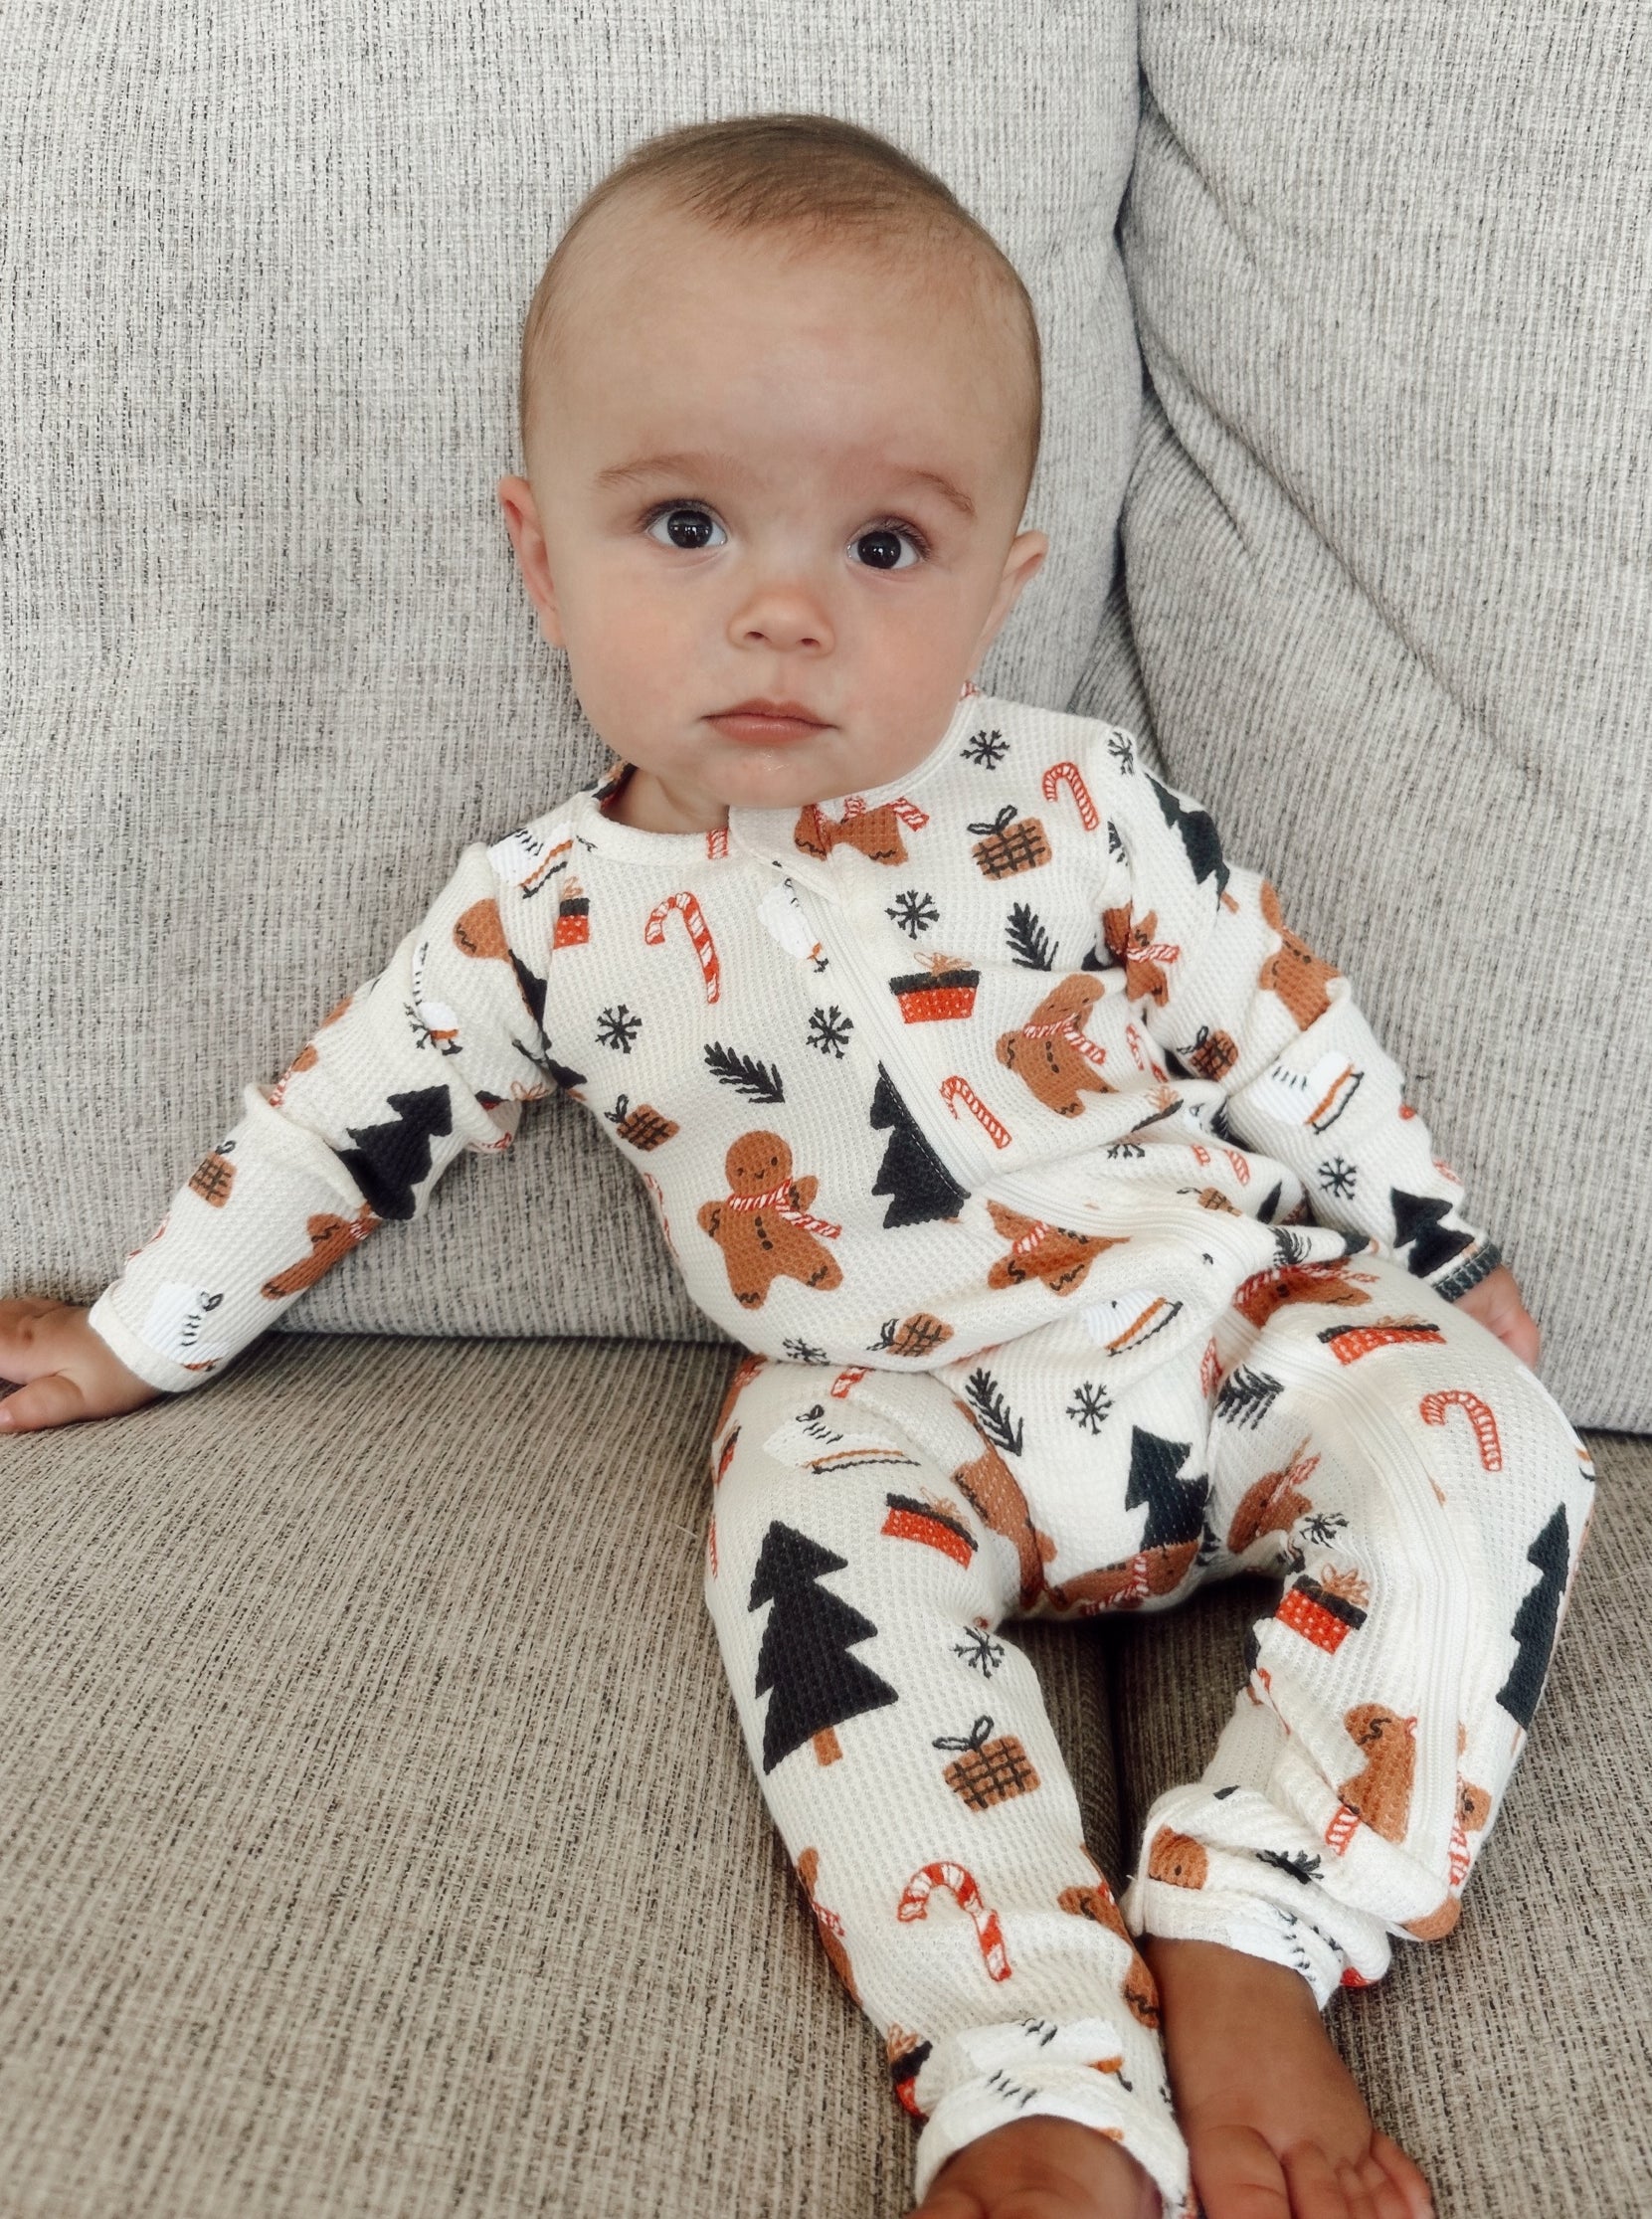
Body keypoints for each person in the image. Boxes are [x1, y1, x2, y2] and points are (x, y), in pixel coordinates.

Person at [0, 112, 1593, 2219]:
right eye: (684, 525)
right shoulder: (540, 921)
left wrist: (1423, 1248)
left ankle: (1264, 1907)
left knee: (1492, 1439)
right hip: (884, 1404)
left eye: (883, 550)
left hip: (1204, 1325)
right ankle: (1031, 2073)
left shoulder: (1081, 800)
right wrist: (142, 1330)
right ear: (536, 555)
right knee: (813, 1609)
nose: (781, 615)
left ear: (1004, 586)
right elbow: (340, 1127)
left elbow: (1286, 1024)